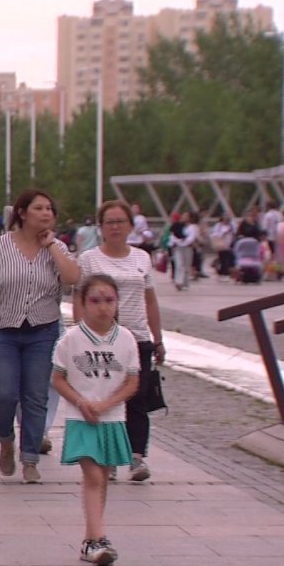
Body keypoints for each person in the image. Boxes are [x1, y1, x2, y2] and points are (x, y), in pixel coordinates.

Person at [0, 189, 80, 484]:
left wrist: (52, 245)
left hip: (42, 332)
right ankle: (5, 438)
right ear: (22, 212)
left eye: (49, 209)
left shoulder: (56, 247)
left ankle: (30, 457)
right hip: (2, 332)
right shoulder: (0, 246)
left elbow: (72, 278)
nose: (46, 213)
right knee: (4, 394)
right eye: (39, 208)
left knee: (36, 396)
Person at [52, 274, 140, 566]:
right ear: (82, 303)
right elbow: (58, 378)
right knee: (92, 476)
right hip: (81, 418)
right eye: (95, 300)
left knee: (102, 477)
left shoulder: (126, 339)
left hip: (112, 418)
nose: (103, 307)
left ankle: (91, 539)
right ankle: (99, 538)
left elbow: (132, 382)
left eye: (109, 300)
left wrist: (107, 404)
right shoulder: (71, 339)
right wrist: (81, 402)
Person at [76, 200, 165, 482]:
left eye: (120, 222)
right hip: (103, 338)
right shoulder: (90, 259)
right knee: (107, 398)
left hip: (137, 337)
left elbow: (150, 299)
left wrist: (158, 338)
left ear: (130, 226)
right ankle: (109, 456)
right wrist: (81, 334)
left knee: (137, 397)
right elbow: (79, 299)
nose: (115, 227)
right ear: (100, 227)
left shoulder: (142, 258)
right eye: (109, 222)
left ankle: (137, 457)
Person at [169, 211, 198, 291]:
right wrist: (178, 241)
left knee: (186, 266)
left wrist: (184, 242)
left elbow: (191, 238)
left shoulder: (193, 227)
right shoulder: (178, 225)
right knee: (179, 264)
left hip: (188, 248)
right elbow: (173, 235)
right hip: (178, 247)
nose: (184, 217)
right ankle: (178, 281)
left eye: (186, 216)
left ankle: (185, 283)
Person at [210, 213, 236, 279]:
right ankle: (223, 273)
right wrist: (223, 233)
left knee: (228, 258)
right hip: (221, 244)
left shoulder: (231, 225)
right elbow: (214, 234)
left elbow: (234, 233)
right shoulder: (218, 225)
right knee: (223, 258)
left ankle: (225, 272)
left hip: (229, 244)